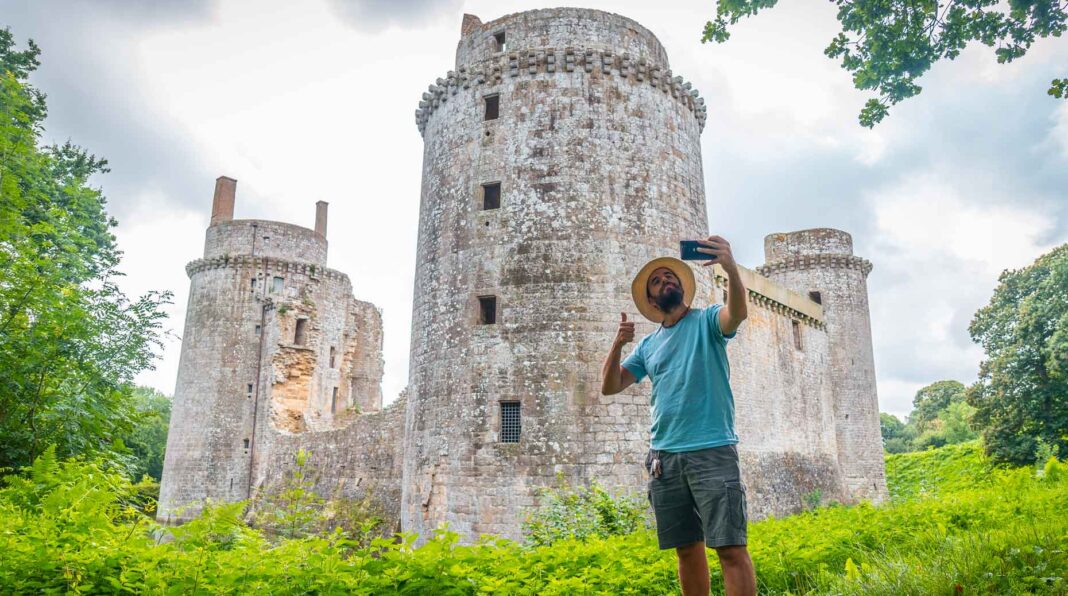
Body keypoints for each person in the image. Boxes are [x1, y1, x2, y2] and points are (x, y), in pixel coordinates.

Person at [600, 236, 755, 596]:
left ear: (682, 287)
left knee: (731, 548)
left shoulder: (709, 321)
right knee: (686, 550)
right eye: (657, 281)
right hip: (664, 459)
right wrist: (617, 344)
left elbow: (738, 314)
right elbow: (610, 386)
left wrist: (731, 268)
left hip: (712, 450)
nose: (665, 281)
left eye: (670, 276)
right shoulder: (647, 346)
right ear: (652, 300)